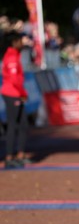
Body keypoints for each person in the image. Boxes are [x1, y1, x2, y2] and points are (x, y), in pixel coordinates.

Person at [1, 30, 29, 169]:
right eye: (20, 40)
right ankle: (9, 156)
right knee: (13, 125)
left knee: (23, 124)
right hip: (12, 94)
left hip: (17, 93)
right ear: (14, 42)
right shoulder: (11, 57)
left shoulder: (15, 55)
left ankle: (20, 153)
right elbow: (13, 79)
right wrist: (23, 93)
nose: (22, 43)